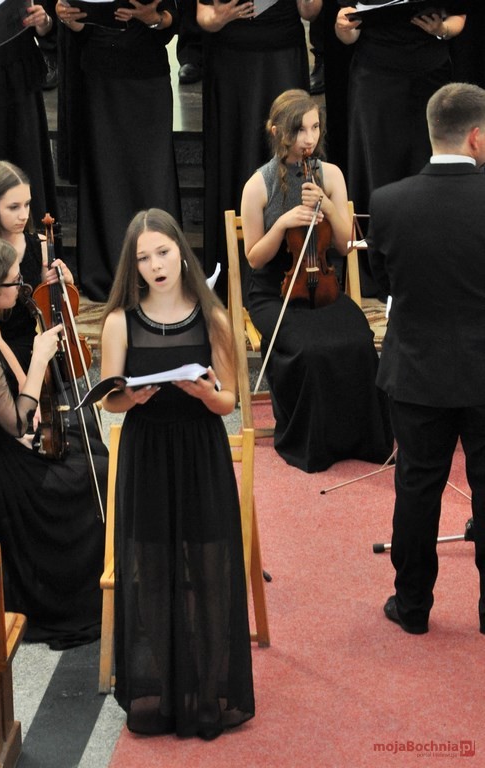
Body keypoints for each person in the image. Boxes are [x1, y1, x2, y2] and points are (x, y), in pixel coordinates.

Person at [100, 208, 254, 738]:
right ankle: (165, 691)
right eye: (143, 258)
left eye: (163, 252)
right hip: (146, 454)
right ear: (133, 265)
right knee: (152, 572)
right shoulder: (120, 321)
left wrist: (209, 394)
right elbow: (109, 398)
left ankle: (208, 691)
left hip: (200, 453)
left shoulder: (213, 318)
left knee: (210, 570)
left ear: (181, 254)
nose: (155, 265)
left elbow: (231, 400)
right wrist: (130, 397)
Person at [368, 82, 485, 635]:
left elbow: (381, 282)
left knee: (416, 489)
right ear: (476, 136)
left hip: (416, 371)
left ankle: (412, 606)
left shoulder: (388, 202)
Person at [240, 89, 392, 473]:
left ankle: (360, 438)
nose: (309, 138)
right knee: (307, 350)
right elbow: (254, 257)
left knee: (358, 340)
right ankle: (312, 442)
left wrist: (326, 204)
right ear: (277, 132)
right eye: (299, 130)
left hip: (324, 285)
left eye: (314, 127)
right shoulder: (258, 185)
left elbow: (344, 244)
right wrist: (282, 224)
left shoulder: (331, 175)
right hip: (274, 291)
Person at [0, 236, 106, 649]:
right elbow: (15, 422)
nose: (22, 288)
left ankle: (101, 578)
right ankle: (76, 596)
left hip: (2, 442)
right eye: (14, 282)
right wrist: (39, 357)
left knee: (91, 452)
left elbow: (17, 390)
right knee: (86, 477)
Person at [335, 1, 466, 297]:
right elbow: (345, 29)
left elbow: (459, 17)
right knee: (377, 170)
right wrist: (344, 28)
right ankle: (377, 272)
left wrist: (442, 28)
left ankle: (428, 271)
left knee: (428, 172)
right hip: (375, 75)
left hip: (430, 75)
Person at [55, 0, 181, 302]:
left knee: (152, 180)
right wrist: (72, 21)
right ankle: (111, 273)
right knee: (106, 177)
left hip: (147, 76)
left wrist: (154, 18)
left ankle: (158, 272)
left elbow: (174, 18)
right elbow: (80, 30)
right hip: (99, 76)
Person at [197, 0, 322, 302]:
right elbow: (204, 17)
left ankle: (296, 270)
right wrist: (221, 16)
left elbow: (310, 11)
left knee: (289, 150)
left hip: (282, 55)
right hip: (232, 60)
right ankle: (233, 272)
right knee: (234, 158)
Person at [0, 161, 74, 372]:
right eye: (14, 207)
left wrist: (65, 283)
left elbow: (51, 310)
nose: (24, 215)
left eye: (27, 204)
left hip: (31, 346)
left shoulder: (40, 246)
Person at [0, 2, 58, 226]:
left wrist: (44, 22)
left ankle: (30, 244)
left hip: (17, 81)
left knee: (24, 164)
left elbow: (48, 23)